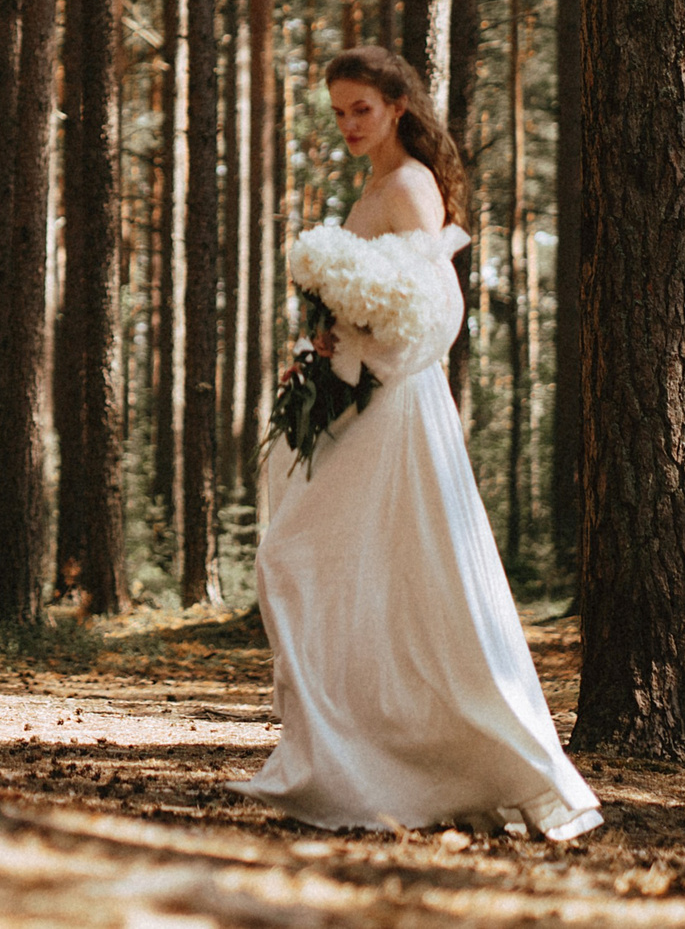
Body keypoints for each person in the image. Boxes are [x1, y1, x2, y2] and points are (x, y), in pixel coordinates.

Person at [231, 45, 600, 840]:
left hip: (396, 408)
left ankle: (420, 758)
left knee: (325, 563)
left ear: (399, 105)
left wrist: (362, 349)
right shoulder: (374, 183)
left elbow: (436, 311)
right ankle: (354, 756)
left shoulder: (411, 185)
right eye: (337, 112)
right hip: (358, 407)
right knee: (335, 571)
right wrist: (330, 346)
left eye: (360, 109)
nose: (347, 125)